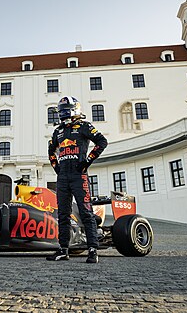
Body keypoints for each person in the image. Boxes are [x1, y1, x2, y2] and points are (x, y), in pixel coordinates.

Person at [46, 96, 107, 263]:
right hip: (63, 177)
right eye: (61, 110)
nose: (62, 113)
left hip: (79, 176)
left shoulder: (84, 126)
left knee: (86, 212)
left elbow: (102, 142)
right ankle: (63, 250)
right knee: (63, 215)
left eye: (64, 109)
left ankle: (93, 250)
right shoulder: (58, 131)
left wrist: (88, 161)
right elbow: (51, 151)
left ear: (73, 109)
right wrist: (56, 167)